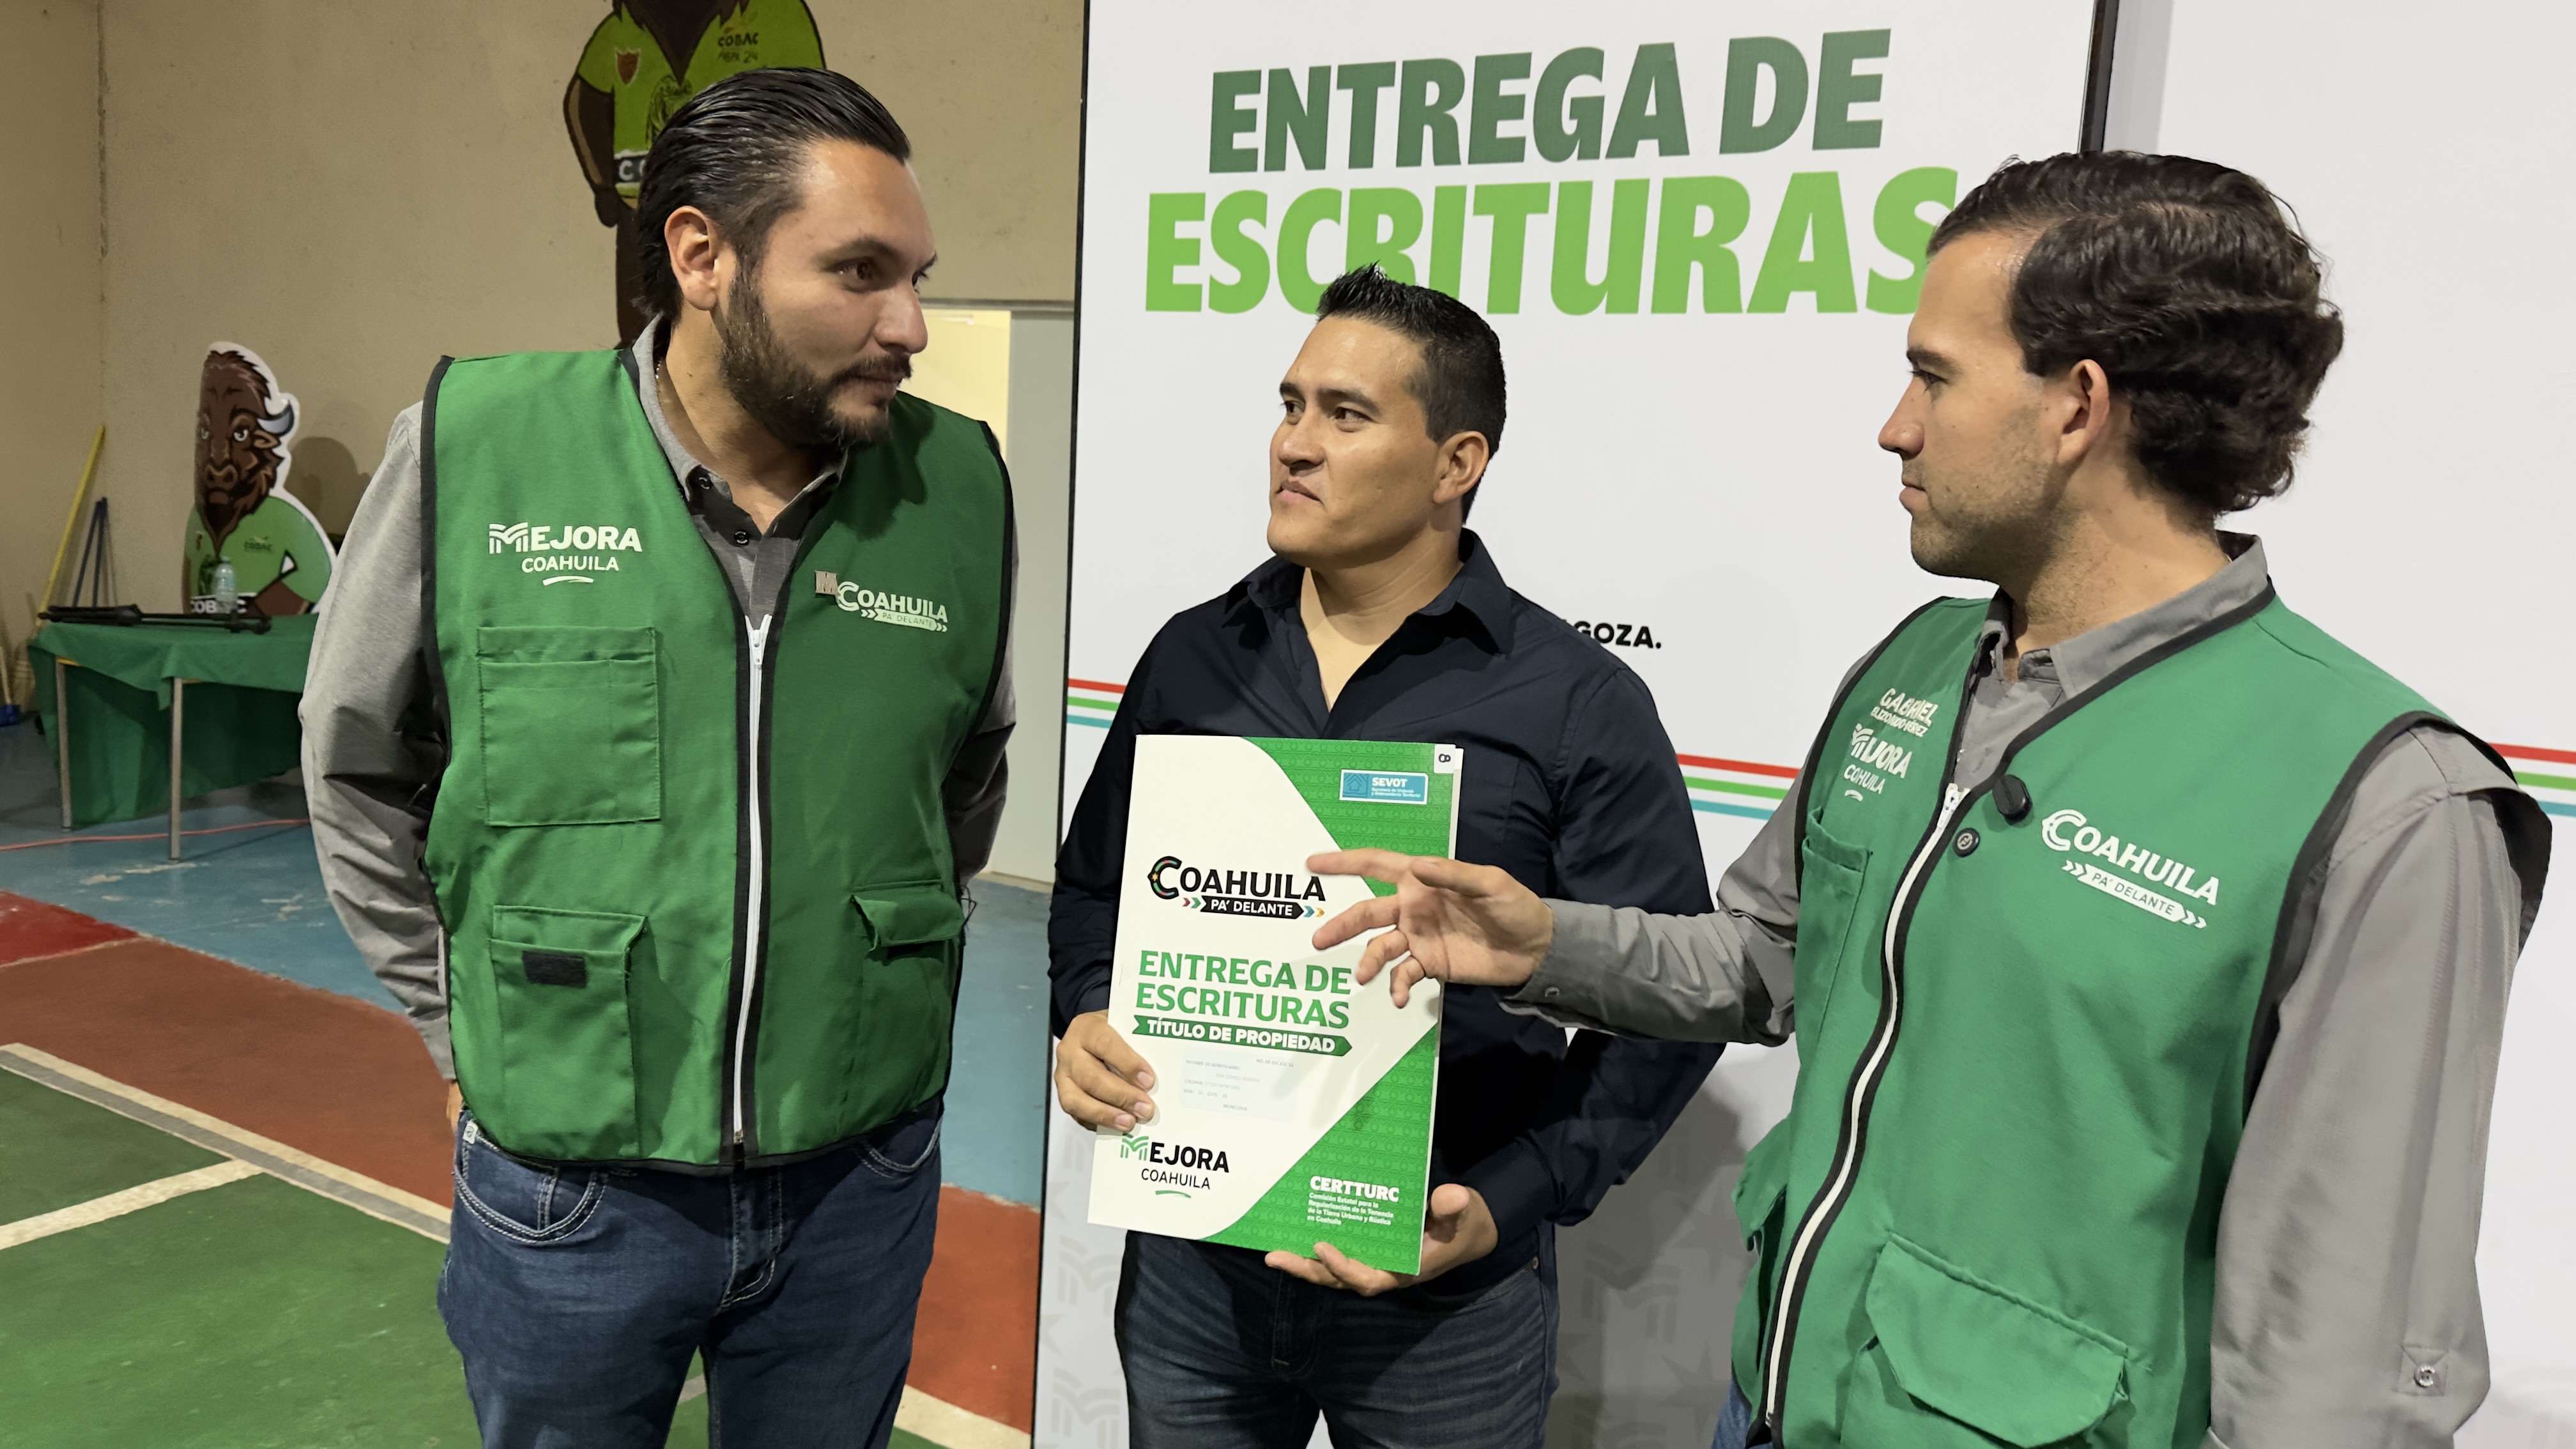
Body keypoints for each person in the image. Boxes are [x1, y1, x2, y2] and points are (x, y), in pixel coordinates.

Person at [1308, 154, 2550, 1449]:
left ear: (2078, 405)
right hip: (1767, 1410)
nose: (1895, 426)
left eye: (1934, 376)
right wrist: (1541, 945)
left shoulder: (2391, 805)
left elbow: (2340, 1363)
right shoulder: (1914, 667)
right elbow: (1765, 961)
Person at [303, 68, 1013, 1448]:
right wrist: (456, 1026)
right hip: (572, 1189)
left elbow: (961, 785)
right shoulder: (478, 449)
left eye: (915, 277)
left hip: (858, 1180)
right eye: (859, 272)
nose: (910, 326)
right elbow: (356, 764)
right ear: (702, 256)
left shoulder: (959, 487)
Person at [1049, 265, 1726, 1449]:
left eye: (1346, 414)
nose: (1294, 443)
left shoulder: (1575, 702)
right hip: (1198, 1268)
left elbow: (1673, 998)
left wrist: (1512, 1196)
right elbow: (1097, 891)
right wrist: (1089, 1014)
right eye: (1290, 404)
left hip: (1442, 1302)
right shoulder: (1191, 659)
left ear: (1456, 463)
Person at [565, 0, 827, 344]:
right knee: (642, 325)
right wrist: (602, 183)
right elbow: (584, 102)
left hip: (745, 208)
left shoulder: (778, 15)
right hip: (640, 205)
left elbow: (811, 110)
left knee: (745, 322)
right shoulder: (624, 27)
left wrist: (793, 191)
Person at [185, 344, 334, 616]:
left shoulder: (281, 515)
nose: (219, 462)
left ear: (262, 441)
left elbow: (317, 571)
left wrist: (260, 611)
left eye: (240, 434)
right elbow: (189, 570)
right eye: (206, 432)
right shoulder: (197, 519)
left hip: (256, 639)